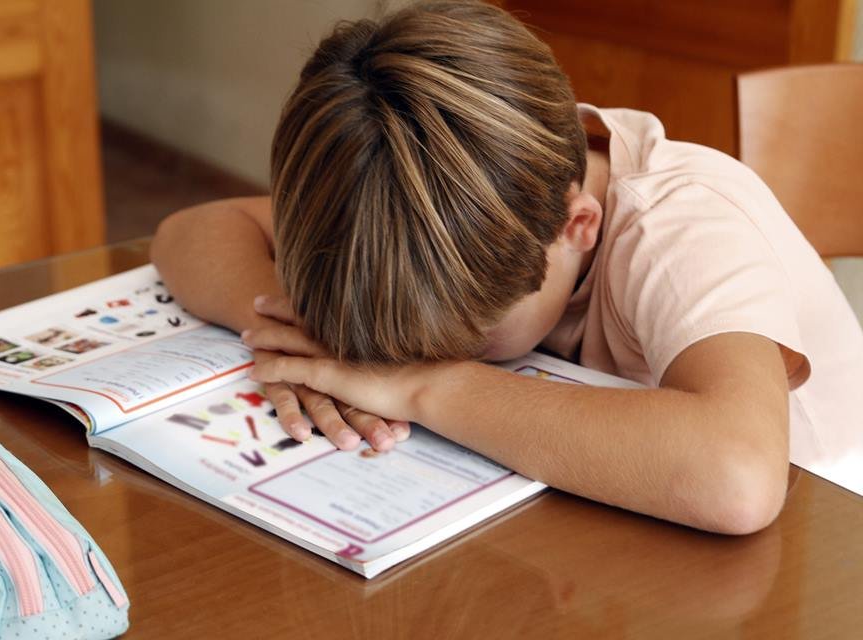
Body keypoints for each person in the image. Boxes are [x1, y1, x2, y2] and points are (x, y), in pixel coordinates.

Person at [151, 0, 863, 535]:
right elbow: (193, 230)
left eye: (469, 338)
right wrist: (285, 326)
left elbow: (738, 476)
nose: (396, 361)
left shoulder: (681, 229)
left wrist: (421, 386)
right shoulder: (427, 195)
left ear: (576, 226)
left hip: (821, 533)